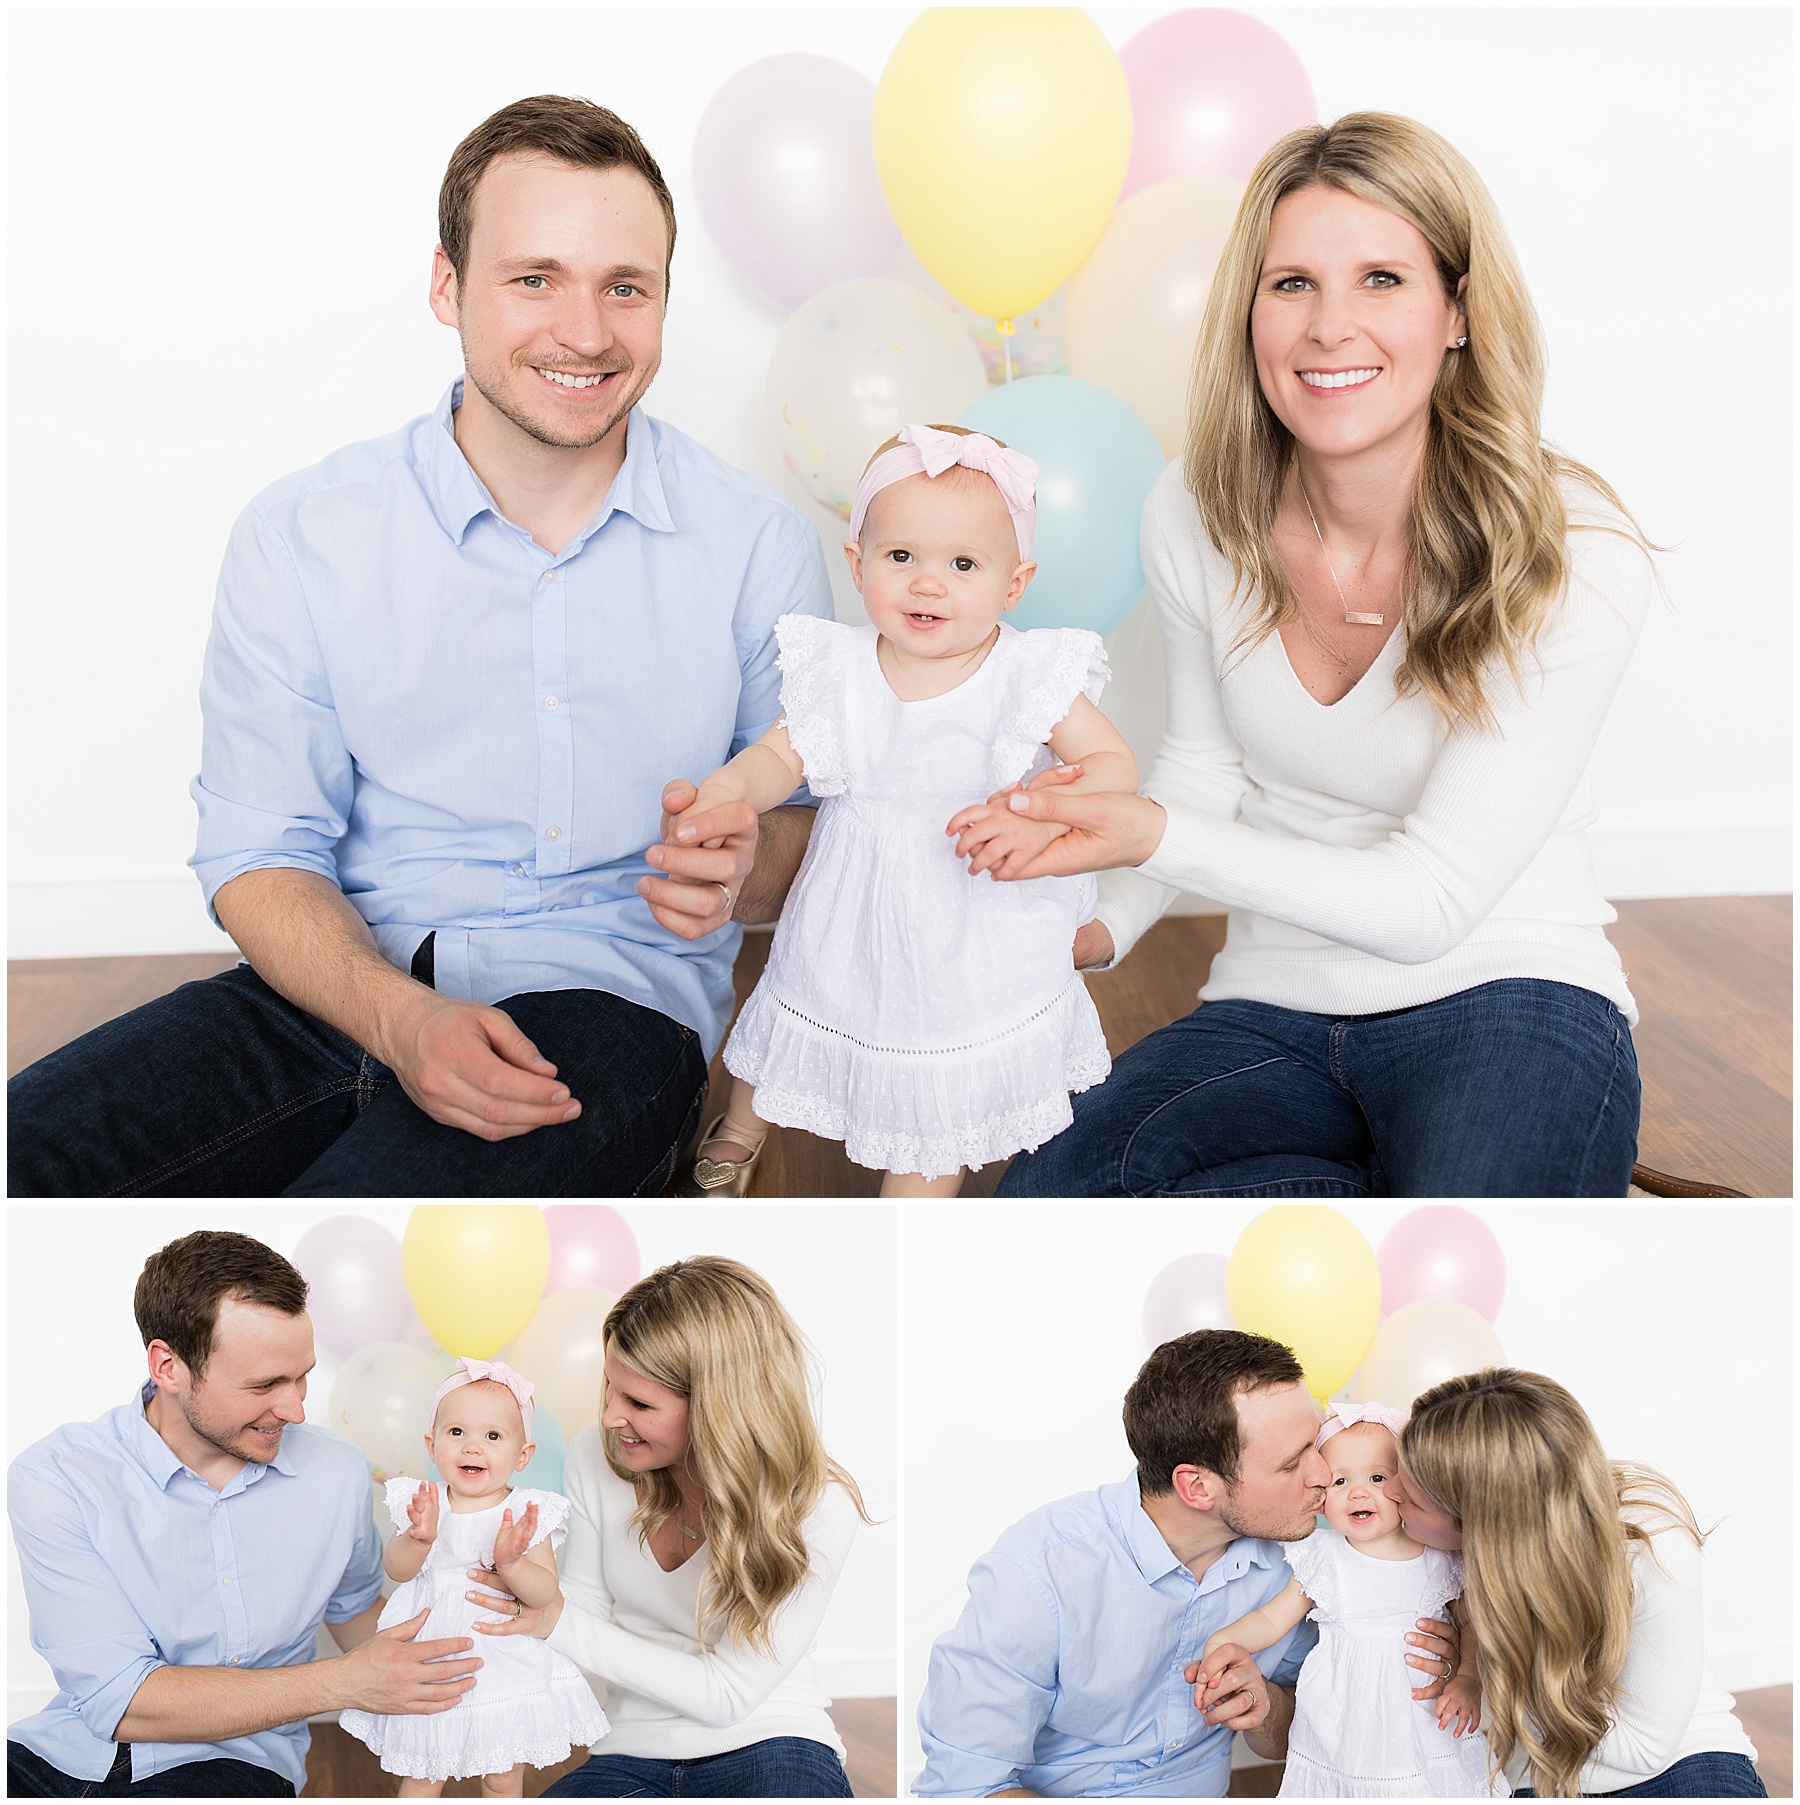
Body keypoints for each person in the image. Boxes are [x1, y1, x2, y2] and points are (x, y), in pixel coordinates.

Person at [6, 93, 832, 1198]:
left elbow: (816, 833)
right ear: (447, 286)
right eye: (533, 277)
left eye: (624, 286)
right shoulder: (305, 533)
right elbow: (259, 849)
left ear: (664, 299)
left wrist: (747, 866)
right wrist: (398, 1017)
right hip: (338, 985)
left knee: (341, 1245)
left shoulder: (756, 543)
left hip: (608, 1013)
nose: (585, 332)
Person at [985, 112, 1655, 1198]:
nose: (1329, 327)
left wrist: (1151, 832)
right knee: (1044, 1199)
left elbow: (1431, 899)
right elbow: (1206, 771)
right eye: (1291, 283)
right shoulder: (1192, 507)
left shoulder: (1571, 547)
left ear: (1459, 313)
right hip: (1276, 1000)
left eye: (1382, 278)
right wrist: (1095, 929)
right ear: (1248, 313)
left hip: (1508, 985)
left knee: (1455, 1258)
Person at [676, 422, 1135, 1198]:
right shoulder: (841, 669)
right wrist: (728, 792)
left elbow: (1113, 767)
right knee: (805, 1004)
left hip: (972, 918)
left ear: (1013, 584)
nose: (929, 584)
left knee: (939, 1063)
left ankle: (908, 1216)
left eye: (963, 564)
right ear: (858, 566)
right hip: (851, 904)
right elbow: (777, 757)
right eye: (901, 558)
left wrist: (1039, 813)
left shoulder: (1027, 673)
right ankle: (743, 1126)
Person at [7, 1231, 482, 1798]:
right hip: (54, 1756)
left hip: (235, 1766)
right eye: (265, 1385)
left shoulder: (337, 1473)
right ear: (169, 1367)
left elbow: (356, 1615)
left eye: (302, 1374)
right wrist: (348, 1682)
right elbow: (122, 1703)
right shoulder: (56, 1476)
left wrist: (472, 1634)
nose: (297, 1408)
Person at [914, 1330, 1460, 1798]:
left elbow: (1295, 1730)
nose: (1324, 1474)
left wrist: (1263, 1703)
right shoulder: (1040, 1572)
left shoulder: (1298, 1559)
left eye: (1316, 1445)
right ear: (1197, 1486)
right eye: (1293, 1462)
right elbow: (968, 1787)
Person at [465, 1257, 869, 1799]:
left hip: (773, 1738)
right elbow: (583, 1605)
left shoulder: (818, 1503)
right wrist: (507, 1595)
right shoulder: (596, 1452)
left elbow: (728, 1695)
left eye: (638, 1402)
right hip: (632, 1747)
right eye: (610, 1389)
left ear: (718, 1409)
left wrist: (553, 1621)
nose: (609, 1416)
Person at [1390, 1369, 1766, 1799]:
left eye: (1414, 1499)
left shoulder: (1650, 1547)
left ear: (1482, 1528)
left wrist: (1485, 1683)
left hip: (1678, 1758)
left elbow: (1644, 1749)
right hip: (1538, 1764)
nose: (1391, 1492)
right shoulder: (1415, 1556)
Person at [1204, 1402, 1501, 1797]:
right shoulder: (1323, 1556)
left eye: (1378, 1477)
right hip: (1342, 1722)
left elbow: (1471, 1626)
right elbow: (1272, 1619)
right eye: (1339, 1482)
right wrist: (1225, 1643)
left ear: (1407, 1485)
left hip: (1420, 1716)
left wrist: (1467, 1680)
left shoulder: (1438, 1554)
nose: (1358, 1491)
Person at [339, 1359, 607, 1795]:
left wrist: (514, 1564)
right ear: (432, 1444)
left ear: (523, 1455)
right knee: (424, 1771)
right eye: (456, 1432)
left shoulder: (525, 1512)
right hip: (433, 1658)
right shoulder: (424, 1503)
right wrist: (419, 1540)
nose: (471, 1448)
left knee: (502, 1775)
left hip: (502, 1657)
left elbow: (545, 1594)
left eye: (493, 1436)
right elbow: (396, 1569)